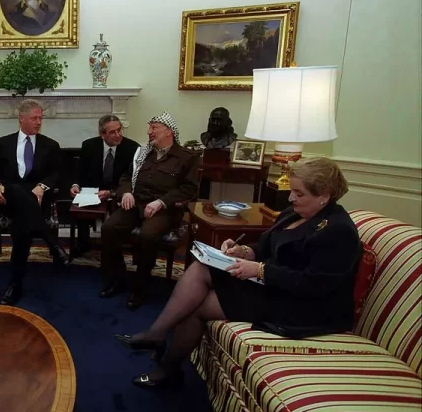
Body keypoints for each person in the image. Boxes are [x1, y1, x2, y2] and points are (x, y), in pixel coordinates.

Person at [114, 157, 362, 389]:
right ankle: (157, 335)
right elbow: (267, 246)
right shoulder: (295, 213)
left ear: (324, 196)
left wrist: (261, 270)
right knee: (201, 267)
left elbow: (314, 283)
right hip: (275, 285)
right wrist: (244, 251)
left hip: (303, 306)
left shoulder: (338, 231)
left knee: (201, 305)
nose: (290, 199)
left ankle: (168, 366)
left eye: (299, 193)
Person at [99, 111, 199, 310]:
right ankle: (117, 279)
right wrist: (126, 193)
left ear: (168, 131)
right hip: (136, 204)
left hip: (165, 210)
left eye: (153, 128)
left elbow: (189, 189)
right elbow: (126, 178)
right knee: (109, 227)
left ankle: (140, 288)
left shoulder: (187, 157)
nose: (149, 132)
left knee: (148, 234)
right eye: (149, 127)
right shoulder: (143, 153)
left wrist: (161, 202)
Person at [0, 99, 72, 305]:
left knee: (21, 226)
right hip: (6, 198)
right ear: (21, 118)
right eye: (34, 118)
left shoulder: (50, 145)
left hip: (36, 198)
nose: (38, 122)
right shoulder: (2, 143)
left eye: (40, 118)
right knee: (14, 189)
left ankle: (15, 284)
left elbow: (57, 173)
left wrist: (42, 186)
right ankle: (53, 243)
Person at [69, 115, 139, 257]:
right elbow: (80, 170)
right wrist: (75, 185)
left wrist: (111, 192)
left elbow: (133, 179)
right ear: (102, 134)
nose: (118, 135)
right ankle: (83, 243)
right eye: (112, 132)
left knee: (121, 209)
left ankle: (115, 247)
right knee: (79, 203)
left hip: (117, 191)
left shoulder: (132, 148)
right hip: (93, 190)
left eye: (119, 130)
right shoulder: (89, 145)